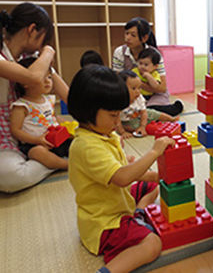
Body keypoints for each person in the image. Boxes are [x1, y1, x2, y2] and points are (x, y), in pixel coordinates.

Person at [67, 65, 175, 273]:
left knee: (153, 185)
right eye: (113, 116)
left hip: (117, 199)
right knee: (152, 245)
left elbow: (125, 171)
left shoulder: (105, 134)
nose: (118, 122)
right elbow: (122, 177)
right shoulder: (86, 146)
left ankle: (139, 213)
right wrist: (153, 153)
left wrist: (156, 176)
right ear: (88, 111)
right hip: (104, 221)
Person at [0, 2, 69, 193]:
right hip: (2, 144)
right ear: (32, 30)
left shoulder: (31, 62)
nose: (44, 46)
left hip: (40, 138)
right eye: (44, 39)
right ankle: (63, 163)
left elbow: (69, 97)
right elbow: (33, 78)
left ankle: (54, 159)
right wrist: (48, 52)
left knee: (83, 143)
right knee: (8, 178)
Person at [112, 17, 183, 116]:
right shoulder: (120, 52)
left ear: (144, 38)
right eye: (126, 33)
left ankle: (169, 108)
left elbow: (162, 88)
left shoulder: (155, 54)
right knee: (129, 111)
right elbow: (117, 81)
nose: (127, 38)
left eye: (133, 35)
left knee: (148, 112)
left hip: (155, 95)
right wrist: (137, 88)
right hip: (130, 93)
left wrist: (138, 84)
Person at [10, 57, 71, 170]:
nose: (48, 81)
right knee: (37, 153)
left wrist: (67, 126)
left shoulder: (48, 99)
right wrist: (37, 140)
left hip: (56, 139)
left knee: (76, 141)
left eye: (49, 77)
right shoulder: (22, 105)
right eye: (43, 78)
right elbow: (15, 130)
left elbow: (53, 117)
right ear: (25, 83)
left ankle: (83, 158)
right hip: (35, 144)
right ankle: (66, 165)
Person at [117, 70, 179, 139]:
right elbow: (116, 119)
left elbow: (144, 113)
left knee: (152, 112)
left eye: (139, 87)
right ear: (121, 89)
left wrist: (142, 126)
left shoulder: (139, 97)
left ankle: (171, 119)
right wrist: (122, 132)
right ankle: (137, 127)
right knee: (133, 126)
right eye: (134, 88)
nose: (138, 91)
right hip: (126, 121)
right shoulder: (119, 102)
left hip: (138, 115)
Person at [136, 48, 183, 116]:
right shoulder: (135, 71)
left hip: (154, 96)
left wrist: (148, 76)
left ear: (155, 66)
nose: (142, 67)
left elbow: (156, 86)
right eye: (140, 63)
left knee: (153, 111)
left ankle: (178, 106)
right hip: (140, 96)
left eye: (146, 65)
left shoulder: (155, 74)